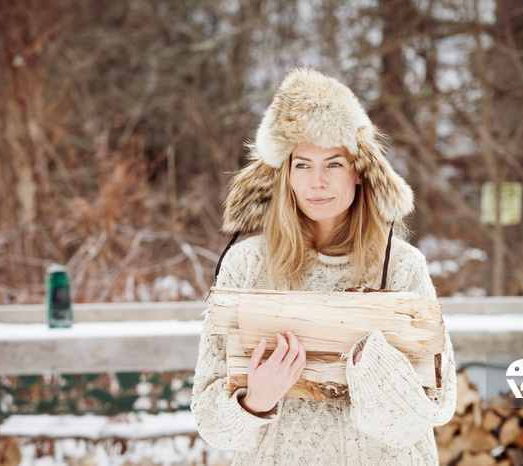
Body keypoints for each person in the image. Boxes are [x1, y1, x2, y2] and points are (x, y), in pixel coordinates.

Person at [192, 67, 456, 465]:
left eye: (333, 164)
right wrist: (255, 400)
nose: (317, 182)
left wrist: (372, 373)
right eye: (302, 165)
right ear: (284, 174)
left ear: (361, 173)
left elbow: (437, 407)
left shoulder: (401, 266)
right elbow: (210, 421)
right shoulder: (246, 264)